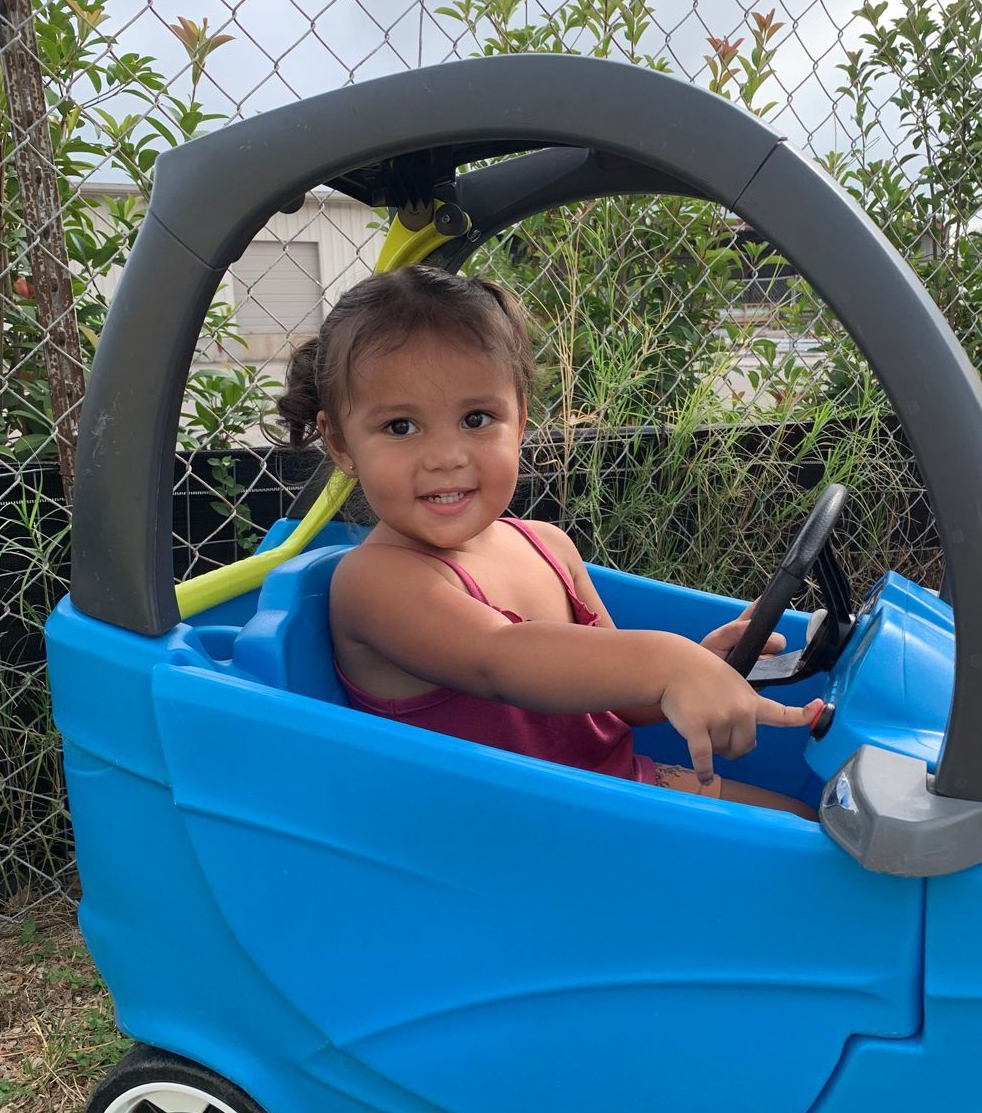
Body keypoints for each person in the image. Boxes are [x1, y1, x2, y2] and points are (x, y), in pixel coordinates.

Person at [278, 264, 821, 817]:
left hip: (610, 793)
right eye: (400, 427)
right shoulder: (377, 582)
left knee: (805, 823)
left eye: (477, 417)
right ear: (341, 444)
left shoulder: (549, 546)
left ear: (520, 422)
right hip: (504, 841)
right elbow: (498, 659)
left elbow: (623, 699)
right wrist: (669, 662)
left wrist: (706, 665)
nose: (446, 456)